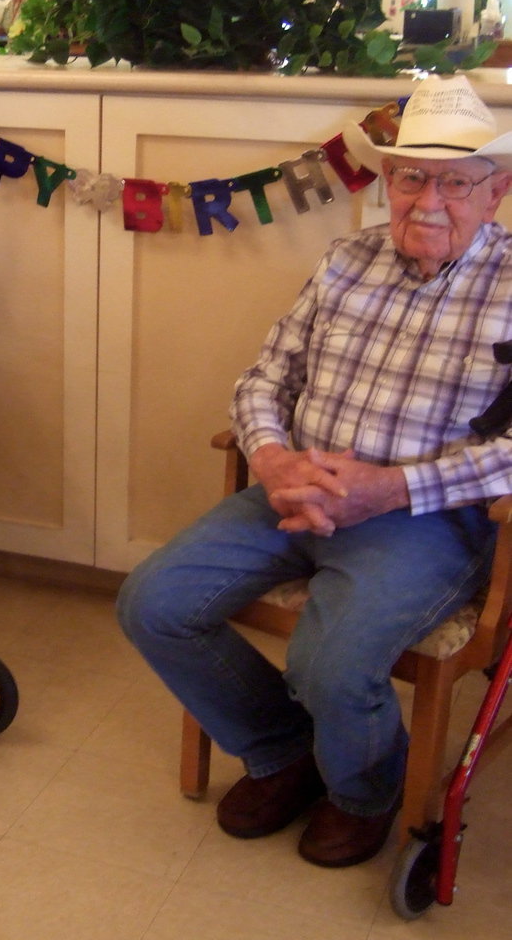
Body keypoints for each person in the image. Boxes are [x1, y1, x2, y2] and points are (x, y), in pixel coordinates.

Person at [117, 74, 512, 868]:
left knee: (326, 660)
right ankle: (286, 751)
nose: (428, 200)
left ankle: (363, 791)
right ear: (387, 180)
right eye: (410, 176)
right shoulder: (347, 259)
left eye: (455, 182)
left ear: (495, 192)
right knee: (152, 603)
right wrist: (270, 458)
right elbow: (265, 379)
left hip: (422, 518)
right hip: (291, 491)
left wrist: (392, 488)